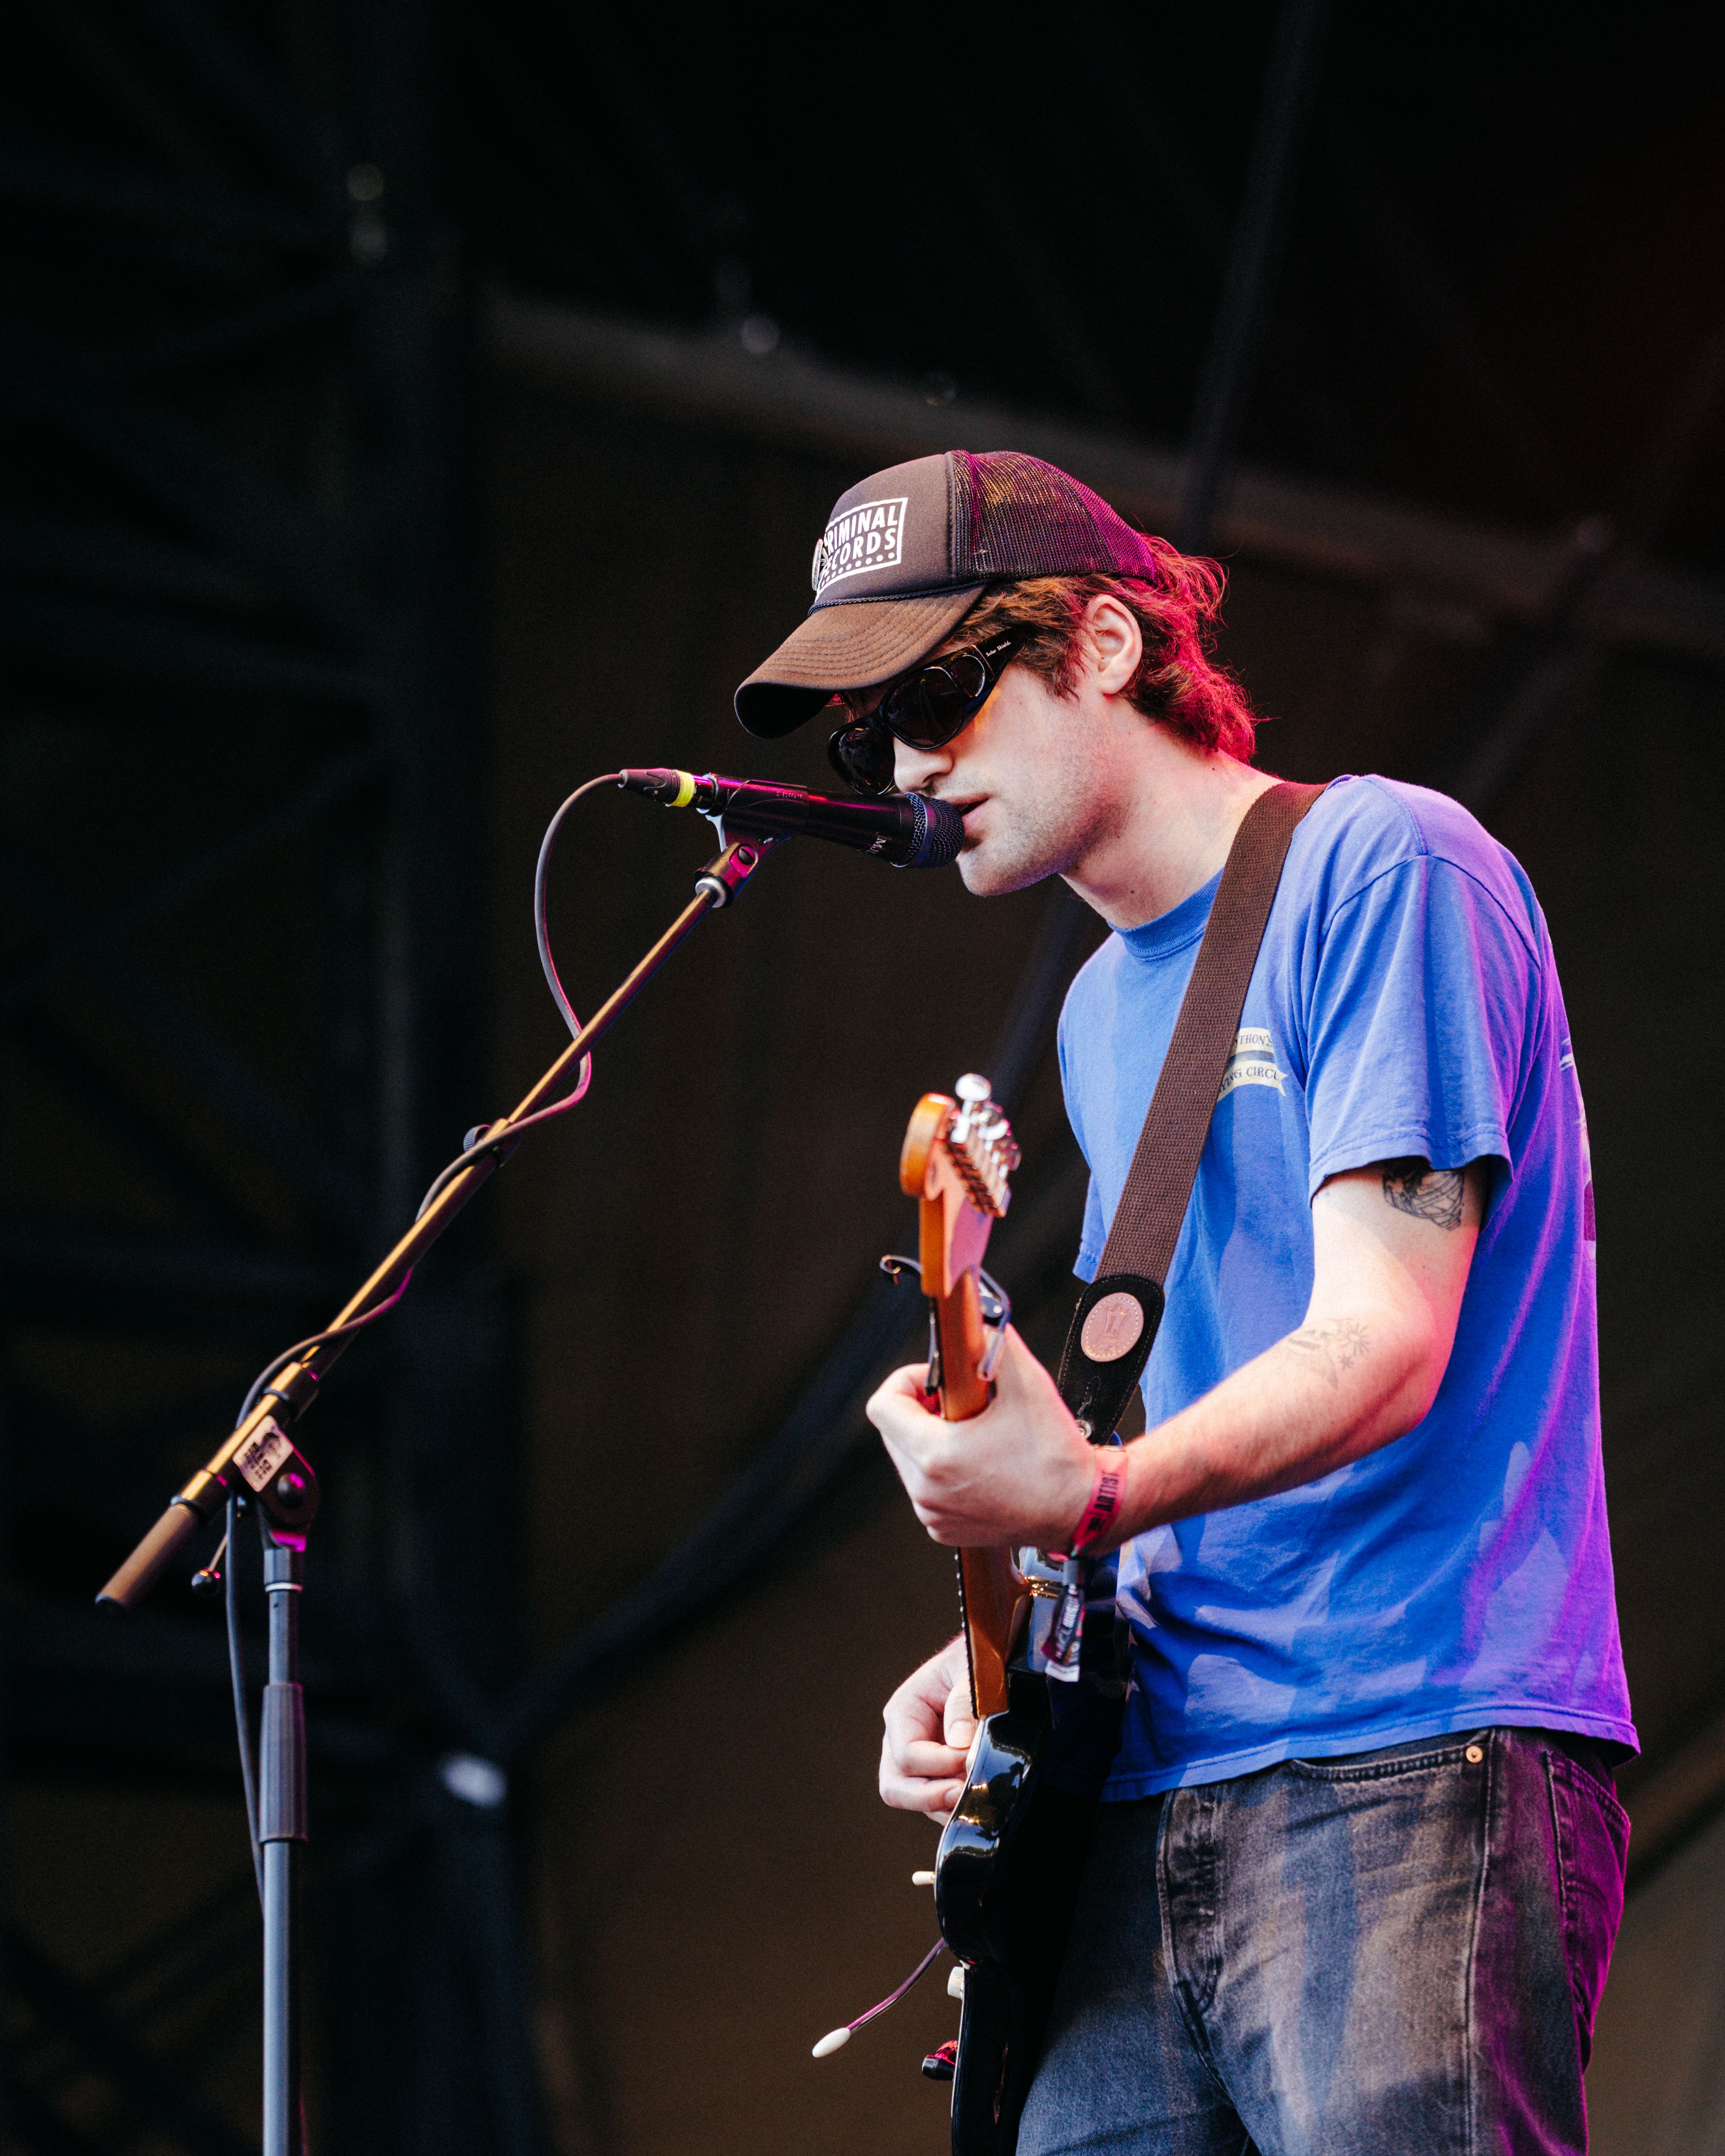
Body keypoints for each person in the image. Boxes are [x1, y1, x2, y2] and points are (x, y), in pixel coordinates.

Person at [735, 450, 1636, 2154]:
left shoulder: (1383, 864)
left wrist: (1077, 1491)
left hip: (1403, 1747)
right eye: (870, 740)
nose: (913, 766)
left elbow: (1382, 1342)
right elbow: (1181, 1410)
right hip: (1144, 1784)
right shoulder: (1093, 1013)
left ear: (1094, 646)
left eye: (937, 692)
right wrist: (1003, 1634)